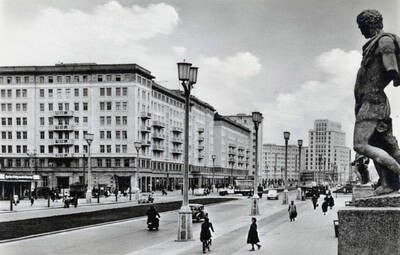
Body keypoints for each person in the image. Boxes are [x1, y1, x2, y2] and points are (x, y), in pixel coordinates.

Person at [353, 9, 400, 195]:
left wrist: (392, 72)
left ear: (368, 24)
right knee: (384, 145)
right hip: (370, 102)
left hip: (373, 103)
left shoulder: (384, 41)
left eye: (361, 26)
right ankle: (388, 184)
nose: (360, 30)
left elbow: (392, 69)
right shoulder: (374, 44)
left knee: (361, 144)